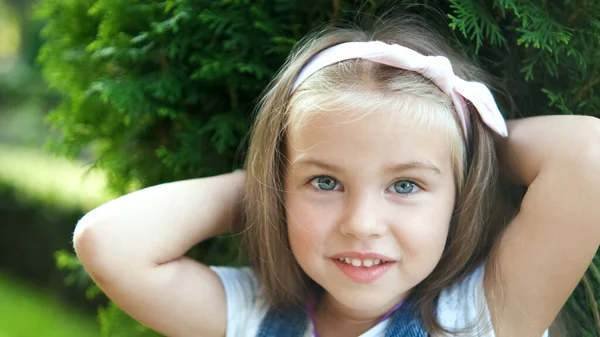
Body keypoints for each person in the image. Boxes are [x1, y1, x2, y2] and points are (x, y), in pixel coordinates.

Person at [72, 16, 600, 337]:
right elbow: (109, 241)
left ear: (458, 199)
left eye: (406, 184)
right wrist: (265, 179)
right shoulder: (258, 319)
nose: (361, 223)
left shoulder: (481, 318)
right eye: (325, 182)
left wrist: (470, 153)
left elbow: (588, 155)